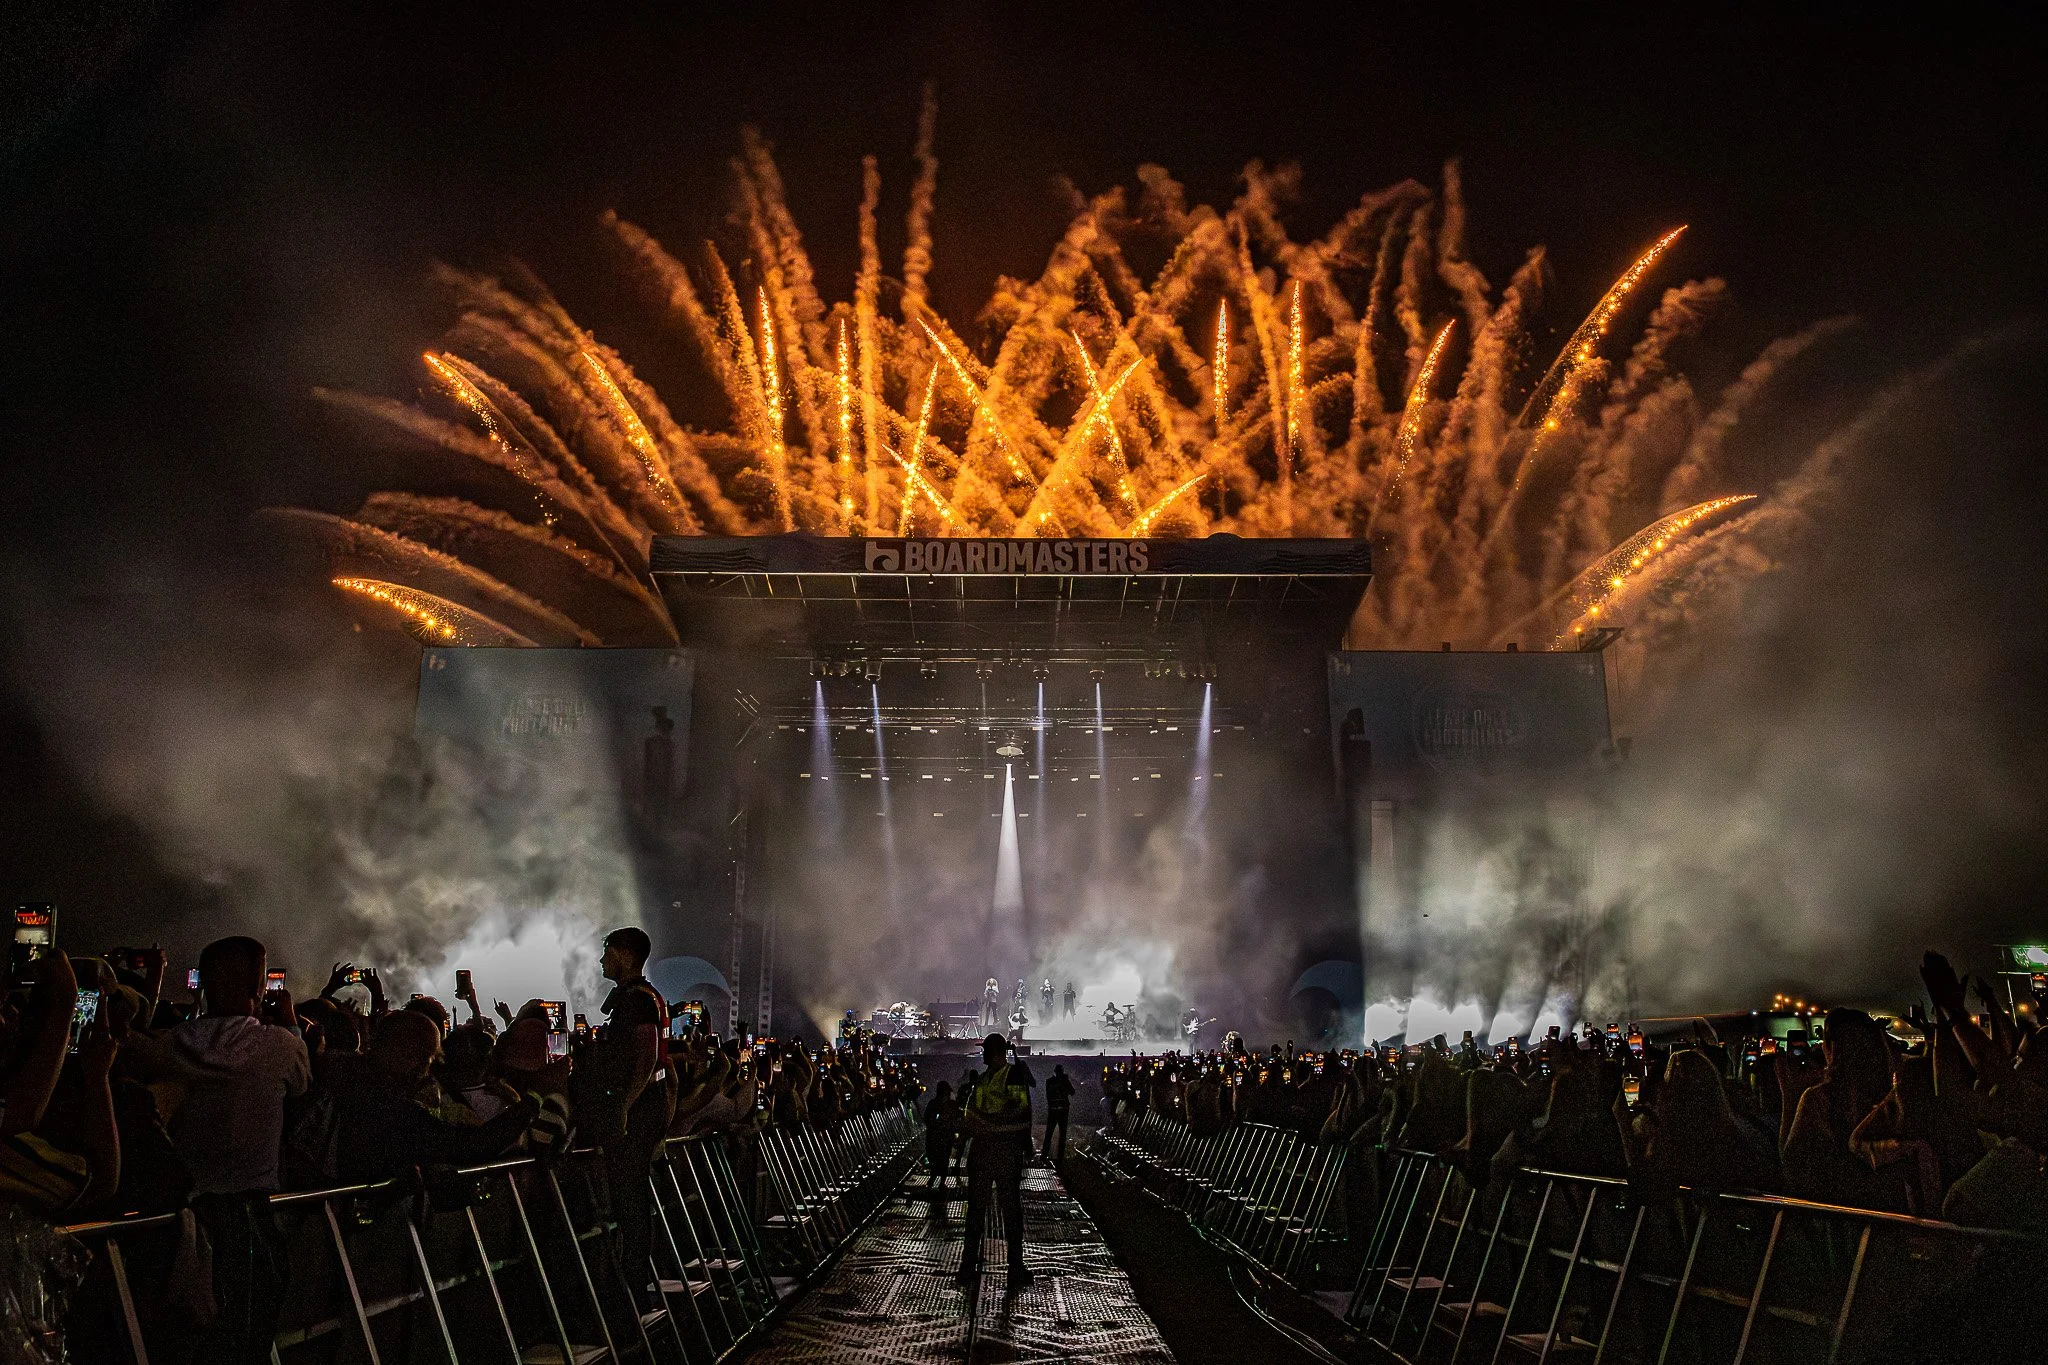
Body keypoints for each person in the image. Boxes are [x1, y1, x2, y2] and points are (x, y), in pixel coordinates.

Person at [164, 935, 310, 1365]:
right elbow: (303, 1082)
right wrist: (291, 1024)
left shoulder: (170, 1046)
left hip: (178, 1222)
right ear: (258, 988)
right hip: (248, 1219)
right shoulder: (282, 1047)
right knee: (248, 1333)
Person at [591, 926, 673, 1312]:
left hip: (634, 1116)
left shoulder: (637, 1000)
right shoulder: (645, 997)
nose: (602, 959)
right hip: (644, 1113)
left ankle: (631, 1294)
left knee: (631, 1204)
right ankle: (632, 1288)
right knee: (633, 1203)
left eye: (607, 951)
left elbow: (646, 1056)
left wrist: (624, 1105)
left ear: (624, 954)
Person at [956, 1033, 1034, 1286]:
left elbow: (1020, 1109)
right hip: (995, 1149)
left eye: (986, 1050)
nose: (983, 1054)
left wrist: (986, 1123)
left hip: (1002, 1148)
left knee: (1002, 1209)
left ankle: (1003, 1267)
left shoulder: (1011, 1075)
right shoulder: (985, 1079)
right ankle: (1008, 1268)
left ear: (996, 1052)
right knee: (991, 1209)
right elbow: (971, 1112)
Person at [923, 1080, 960, 1202]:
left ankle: (933, 1180)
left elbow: (926, 1119)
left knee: (937, 1158)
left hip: (935, 1136)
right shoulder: (950, 1105)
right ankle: (939, 1182)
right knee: (943, 1159)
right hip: (944, 1136)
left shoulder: (933, 1103)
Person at [1040, 1064, 1074, 1165]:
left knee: (1050, 1134)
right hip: (1061, 1111)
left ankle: (1045, 1155)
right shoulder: (1060, 1081)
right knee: (1060, 1135)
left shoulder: (1050, 1081)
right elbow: (1072, 1092)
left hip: (1054, 1111)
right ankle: (1059, 1158)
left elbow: (1071, 1091)